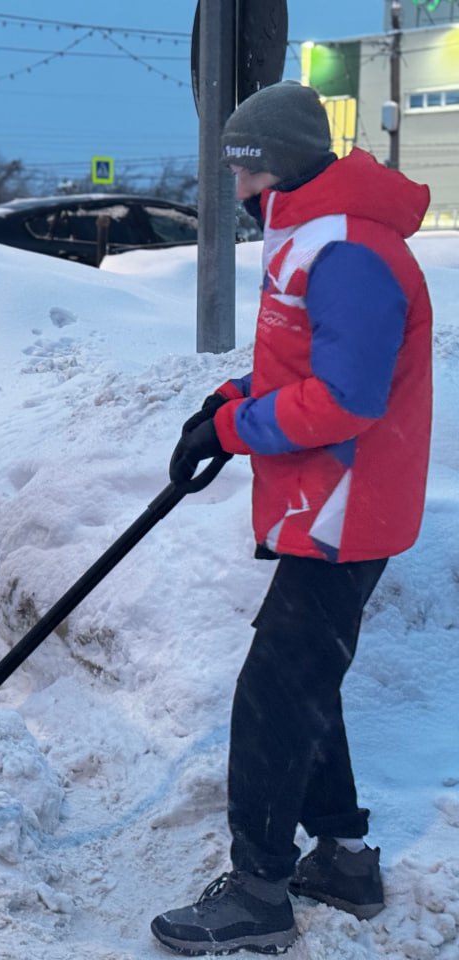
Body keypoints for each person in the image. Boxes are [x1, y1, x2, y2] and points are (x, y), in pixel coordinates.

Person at [150, 82, 434, 955]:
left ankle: (259, 893)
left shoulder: (350, 250)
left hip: (348, 503)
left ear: (284, 163)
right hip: (326, 503)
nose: (238, 189)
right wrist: (227, 403)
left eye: (248, 170)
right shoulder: (313, 233)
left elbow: (346, 398)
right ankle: (343, 859)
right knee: (302, 679)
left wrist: (242, 427)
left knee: (273, 694)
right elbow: (300, 363)